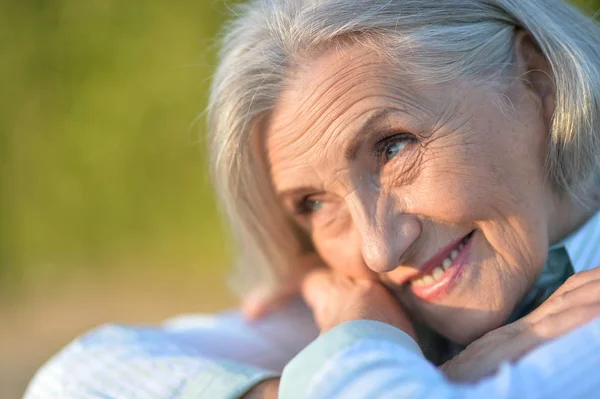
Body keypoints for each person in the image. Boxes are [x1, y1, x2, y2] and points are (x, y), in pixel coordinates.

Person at [24, 0, 600, 398]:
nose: (378, 250)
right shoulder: (365, 305)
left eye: (395, 146)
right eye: (314, 204)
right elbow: (71, 381)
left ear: (536, 82)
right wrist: (392, 355)